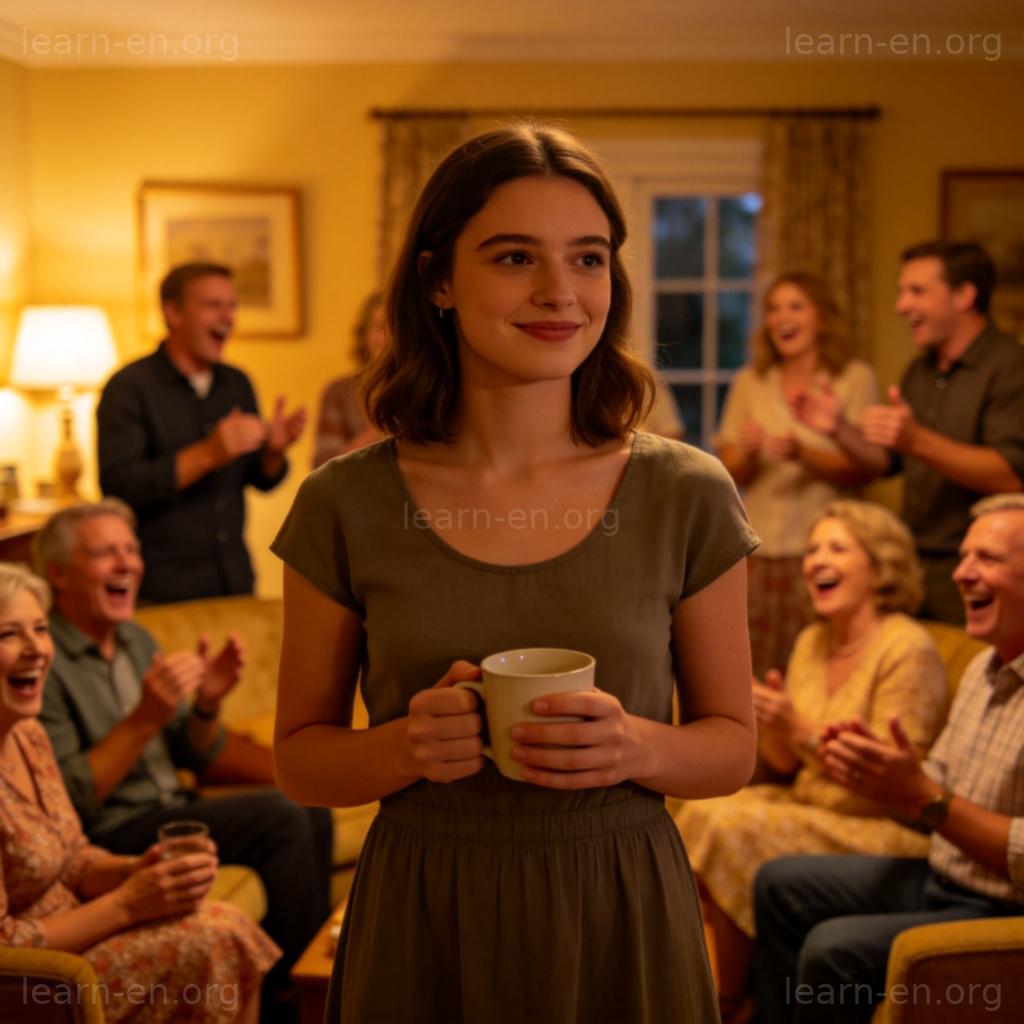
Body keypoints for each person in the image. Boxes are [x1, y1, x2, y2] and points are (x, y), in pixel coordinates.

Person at [271, 124, 760, 1023]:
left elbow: (733, 744)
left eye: (588, 258)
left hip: (622, 905)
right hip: (424, 908)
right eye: (513, 257)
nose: (560, 293)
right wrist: (402, 747)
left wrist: (635, 746)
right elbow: (300, 760)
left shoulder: (685, 492)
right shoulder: (344, 504)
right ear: (438, 281)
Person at [35, 500, 332, 1024]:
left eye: (132, 549)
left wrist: (208, 704)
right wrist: (144, 717)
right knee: (284, 818)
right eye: (106, 553)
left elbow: (194, 752)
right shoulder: (46, 661)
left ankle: (316, 985)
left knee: (308, 806)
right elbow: (71, 798)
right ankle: (293, 1006)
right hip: (115, 832)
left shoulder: (135, 639)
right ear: (57, 573)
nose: (128, 563)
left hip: (174, 806)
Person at [752, 493, 1024, 1024]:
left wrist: (924, 798)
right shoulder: (984, 669)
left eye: (986, 560)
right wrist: (887, 777)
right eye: (964, 557)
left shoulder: (905, 645)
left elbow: (935, 802)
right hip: (944, 874)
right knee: (778, 882)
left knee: (834, 948)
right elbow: (929, 785)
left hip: (1000, 903)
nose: (962, 574)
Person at [675, 500, 946, 1024]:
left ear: (880, 566)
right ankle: (738, 987)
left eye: (838, 548)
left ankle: (728, 1003)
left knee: (730, 824)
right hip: (814, 803)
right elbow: (787, 764)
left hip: (882, 824)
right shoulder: (812, 641)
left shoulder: (906, 648)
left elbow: (892, 781)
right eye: (814, 547)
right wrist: (777, 730)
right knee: (710, 805)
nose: (816, 559)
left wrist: (799, 727)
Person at [0, 562, 279, 1023]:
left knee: (225, 925)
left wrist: (137, 869)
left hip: (80, 935)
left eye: (41, 629)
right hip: (39, 982)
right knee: (220, 935)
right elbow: (6, 948)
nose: (36, 650)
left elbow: (72, 857)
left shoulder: (27, 734)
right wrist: (128, 903)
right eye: (9, 635)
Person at [791, 242, 1024, 625]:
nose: (901, 306)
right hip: (916, 565)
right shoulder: (920, 371)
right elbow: (887, 462)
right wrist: (839, 430)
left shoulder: (1010, 367)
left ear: (965, 295)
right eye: (902, 291)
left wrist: (916, 440)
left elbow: (1011, 475)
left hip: (974, 568)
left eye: (916, 291)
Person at [97, 262, 307, 604]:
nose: (227, 316)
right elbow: (119, 487)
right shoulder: (129, 387)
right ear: (173, 313)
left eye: (232, 305)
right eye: (213, 305)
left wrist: (274, 452)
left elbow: (260, 479)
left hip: (233, 583)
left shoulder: (237, 383)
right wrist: (208, 453)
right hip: (161, 594)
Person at [717, 273, 878, 678]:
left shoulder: (854, 378)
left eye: (795, 306)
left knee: (816, 664)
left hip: (825, 550)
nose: (781, 317)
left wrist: (804, 453)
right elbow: (729, 469)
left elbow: (869, 468)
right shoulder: (749, 381)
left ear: (822, 319)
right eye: (773, 308)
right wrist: (748, 454)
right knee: (749, 664)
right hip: (756, 548)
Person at [312, 292, 389, 468]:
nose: (389, 338)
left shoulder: (424, 389)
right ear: (365, 334)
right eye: (381, 328)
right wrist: (377, 432)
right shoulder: (339, 393)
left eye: (398, 328)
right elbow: (323, 469)